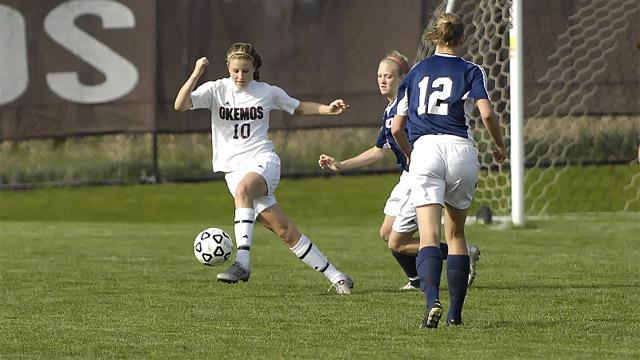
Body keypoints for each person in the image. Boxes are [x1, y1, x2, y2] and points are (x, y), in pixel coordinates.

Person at [174, 42, 354, 294]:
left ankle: (242, 263)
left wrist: (328, 109)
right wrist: (196, 74)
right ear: (228, 67)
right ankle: (338, 277)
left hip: (263, 161)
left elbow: (298, 107)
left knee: (244, 191)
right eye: (236, 70)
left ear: (254, 68)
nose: (240, 76)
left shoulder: (266, 92)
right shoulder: (216, 89)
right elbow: (180, 105)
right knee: (285, 231)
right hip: (233, 171)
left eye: (246, 71)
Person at [318, 51, 480, 290]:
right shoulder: (390, 110)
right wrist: (341, 165)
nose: (383, 80)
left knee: (397, 242)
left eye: (389, 76)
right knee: (386, 234)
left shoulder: (411, 107)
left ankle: (460, 254)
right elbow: (377, 150)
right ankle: (418, 278)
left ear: (403, 78)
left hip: (421, 175)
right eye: (379, 76)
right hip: (407, 177)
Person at [391, 14, 506, 328]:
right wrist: (499, 144)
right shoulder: (471, 70)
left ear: (433, 38)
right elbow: (486, 113)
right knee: (455, 234)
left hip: (425, 149)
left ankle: (432, 302)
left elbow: (397, 126)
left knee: (428, 235)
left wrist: (411, 154)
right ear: (463, 39)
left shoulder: (415, 72)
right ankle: (456, 314)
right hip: (460, 150)